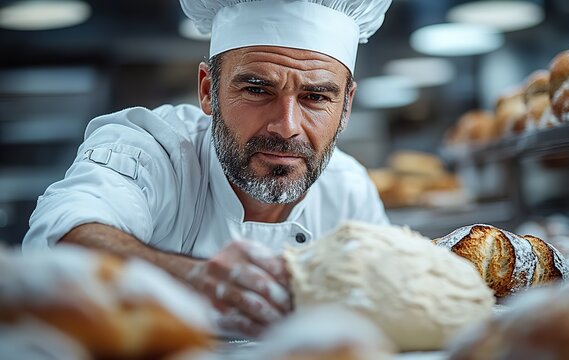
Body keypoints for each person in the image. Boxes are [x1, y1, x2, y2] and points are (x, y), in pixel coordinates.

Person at [22, 0, 392, 337]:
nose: (286, 125)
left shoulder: (349, 190)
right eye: (257, 90)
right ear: (207, 90)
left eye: (316, 97)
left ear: (345, 108)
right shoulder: (152, 149)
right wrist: (191, 275)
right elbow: (58, 239)